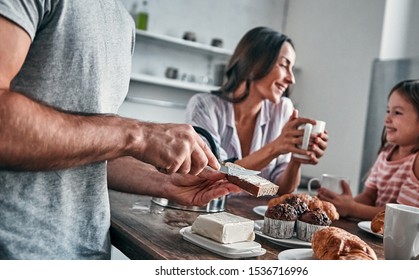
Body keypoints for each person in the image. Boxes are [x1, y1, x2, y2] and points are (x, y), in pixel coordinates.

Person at [0, 0, 240, 259]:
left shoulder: (123, 23)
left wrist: (166, 182)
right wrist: (139, 135)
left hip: (87, 252)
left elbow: (89, 149)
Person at [185, 27, 328, 195]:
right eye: (283, 65)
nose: (291, 78)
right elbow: (214, 175)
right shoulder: (203, 106)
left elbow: (282, 189)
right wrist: (274, 148)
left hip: (254, 217)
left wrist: (296, 160)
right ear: (254, 63)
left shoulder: (283, 109)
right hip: (210, 212)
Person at [318, 79, 419, 235]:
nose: (387, 119)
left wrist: (351, 208)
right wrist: (339, 204)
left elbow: (403, 217)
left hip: (415, 249)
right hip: (385, 239)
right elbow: (369, 196)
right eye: (388, 111)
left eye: (397, 112)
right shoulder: (387, 152)